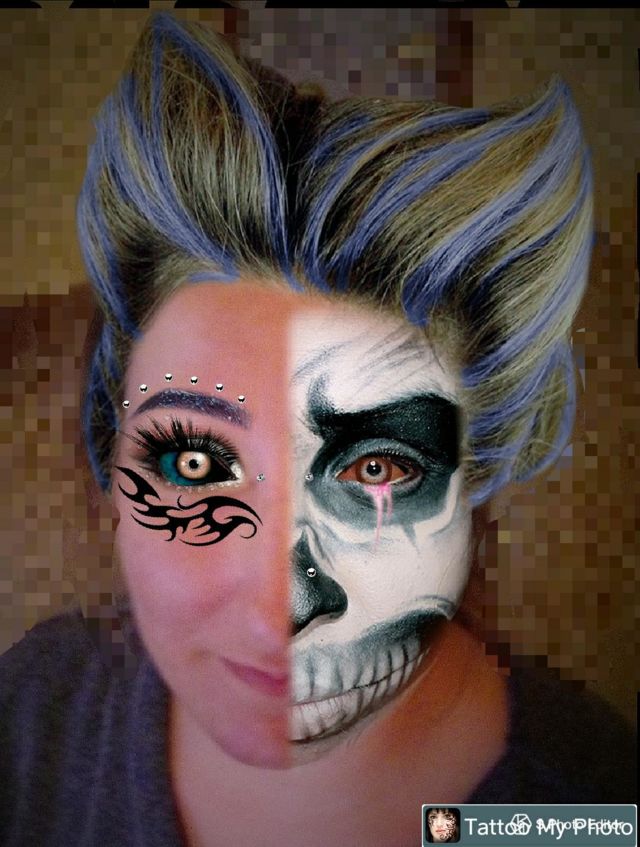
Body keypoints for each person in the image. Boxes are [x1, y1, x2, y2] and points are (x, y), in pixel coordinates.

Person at [0, 12, 635, 847]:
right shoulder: (33, 714)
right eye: (196, 463)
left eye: (377, 469)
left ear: (473, 488)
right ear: (110, 463)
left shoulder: (589, 812)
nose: (282, 610)